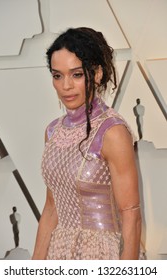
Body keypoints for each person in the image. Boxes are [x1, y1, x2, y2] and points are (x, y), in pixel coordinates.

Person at [32, 27, 144, 260]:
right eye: (57, 75)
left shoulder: (112, 132)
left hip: (103, 254)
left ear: (97, 73)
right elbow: (52, 208)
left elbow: (130, 213)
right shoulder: (52, 131)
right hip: (59, 252)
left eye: (76, 74)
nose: (66, 86)